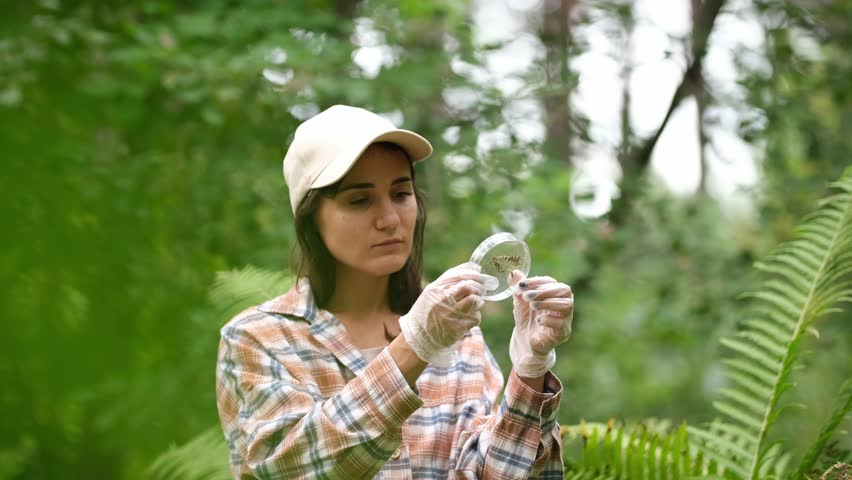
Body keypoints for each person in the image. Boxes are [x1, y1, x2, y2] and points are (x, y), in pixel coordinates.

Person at [215, 105, 575, 479]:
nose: (390, 219)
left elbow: (488, 474)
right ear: (311, 219)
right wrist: (415, 346)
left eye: (401, 193)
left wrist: (531, 371)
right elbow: (288, 468)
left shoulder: (459, 333)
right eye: (360, 200)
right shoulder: (257, 339)